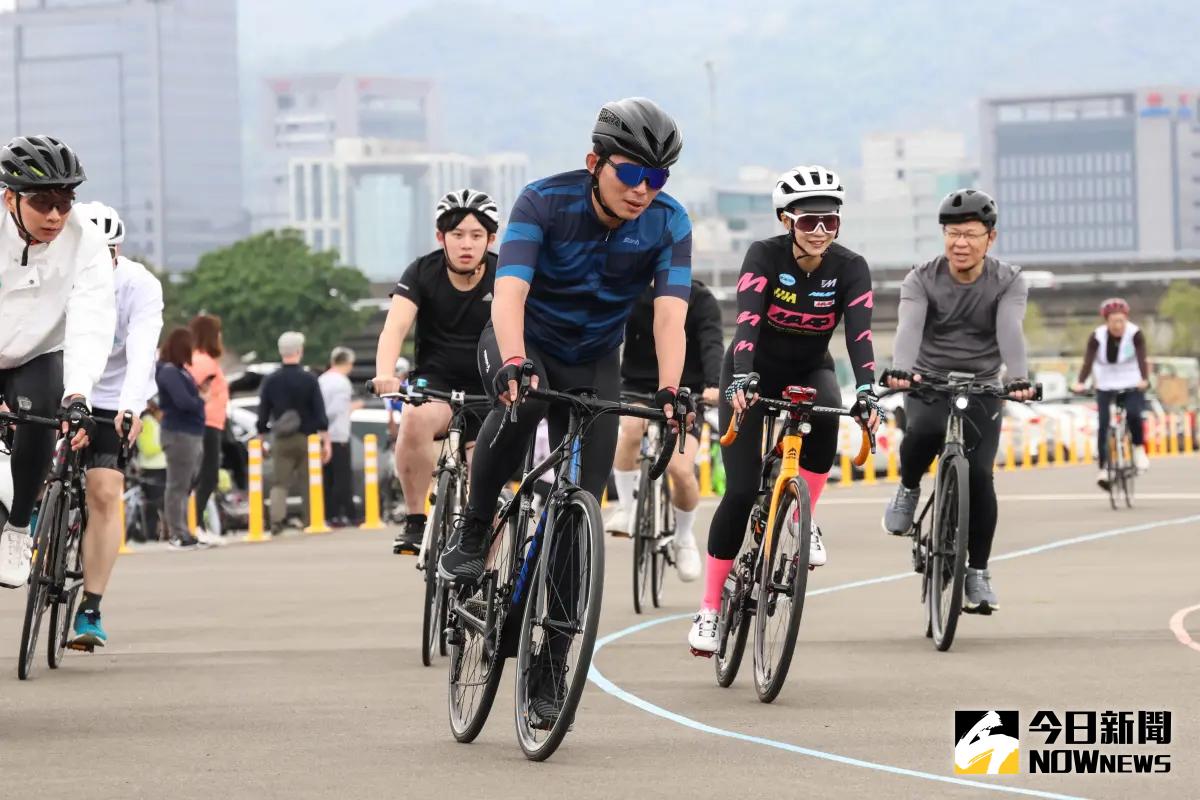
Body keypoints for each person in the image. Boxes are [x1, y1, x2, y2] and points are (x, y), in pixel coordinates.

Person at [437, 97, 692, 728]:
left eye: (656, 178)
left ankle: (550, 665)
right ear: (594, 163)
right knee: (520, 407)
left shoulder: (669, 221)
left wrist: (669, 390)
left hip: (595, 355)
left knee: (582, 507)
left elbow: (670, 315)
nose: (642, 190)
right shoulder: (543, 201)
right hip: (523, 335)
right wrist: (516, 361)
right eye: (630, 173)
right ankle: (472, 532)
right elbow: (511, 291)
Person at [687, 165, 879, 654]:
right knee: (742, 488)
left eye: (830, 222)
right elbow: (747, 321)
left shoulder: (851, 267)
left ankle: (803, 517)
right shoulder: (763, 256)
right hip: (751, 370)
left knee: (829, 409)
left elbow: (858, 335)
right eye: (809, 221)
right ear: (785, 220)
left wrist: (869, 389)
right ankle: (710, 609)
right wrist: (745, 376)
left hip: (810, 368)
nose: (819, 231)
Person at [881, 188, 1035, 615]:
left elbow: (1010, 330)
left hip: (984, 386)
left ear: (991, 237)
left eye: (970, 234)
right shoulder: (922, 278)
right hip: (928, 380)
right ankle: (908, 490)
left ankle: (978, 573)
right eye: (952, 234)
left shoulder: (1008, 280)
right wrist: (901, 368)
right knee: (923, 432)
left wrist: (1018, 378)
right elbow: (909, 326)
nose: (960, 243)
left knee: (981, 477)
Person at [0, 135, 115, 588]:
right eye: (43, 201)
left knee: (39, 417)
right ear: (10, 197)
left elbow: (92, 320)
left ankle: (18, 525)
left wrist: (78, 392)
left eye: (65, 202)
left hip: (40, 352)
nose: (54, 215)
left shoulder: (86, 240)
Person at [371, 189, 499, 555]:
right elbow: (394, 328)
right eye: (457, 235)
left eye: (476, 236)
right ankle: (415, 519)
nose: (466, 244)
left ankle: (485, 582)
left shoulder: (504, 274)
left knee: (488, 496)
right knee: (413, 418)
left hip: (490, 391)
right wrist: (385, 374)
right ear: (441, 237)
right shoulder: (421, 272)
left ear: (490, 240)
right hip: (436, 386)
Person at [68, 201, 163, 645]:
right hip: (63, 383)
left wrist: (132, 408)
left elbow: (143, 351)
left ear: (117, 251)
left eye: (105, 254)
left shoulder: (139, 285)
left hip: (112, 395)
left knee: (105, 491)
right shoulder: (56, 274)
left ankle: (90, 607)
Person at [609, 279, 723, 582]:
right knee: (631, 429)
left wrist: (713, 384)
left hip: (688, 392)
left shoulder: (700, 298)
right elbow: (610, 330)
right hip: (638, 386)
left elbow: (713, 341)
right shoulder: (632, 291)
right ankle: (626, 507)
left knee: (680, 470)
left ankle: (684, 537)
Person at [1072, 298, 1151, 488]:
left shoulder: (1135, 333)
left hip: (1132, 382)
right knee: (1104, 424)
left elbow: (1142, 358)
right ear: (1106, 321)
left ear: (1126, 319)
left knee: (1133, 414)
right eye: (1114, 321)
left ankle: (1139, 450)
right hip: (1106, 384)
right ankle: (1104, 467)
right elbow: (1088, 362)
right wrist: (1080, 382)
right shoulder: (1097, 336)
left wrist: (1144, 379)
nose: (1118, 325)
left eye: (1121, 320)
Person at [256, 331, 329, 534]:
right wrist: (325, 441)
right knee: (309, 480)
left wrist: (261, 436)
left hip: (281, 438)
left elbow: (263, 412)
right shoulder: (309, 379)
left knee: (280, 482)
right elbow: (320, 412)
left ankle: (277, 521)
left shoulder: (271, 380)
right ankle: (310, 520)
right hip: (307, 438)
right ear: (299, 351)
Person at [155, 327, 208, 550]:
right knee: (177, 485)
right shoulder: (169, 371)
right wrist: (201, 399)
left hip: (189, 433)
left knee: (185, 484)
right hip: (179, 433)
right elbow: (183, 401)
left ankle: (184, 530)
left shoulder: (178, 370)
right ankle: (178, 533)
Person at [187, 314, 229, 543]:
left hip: (212, 423)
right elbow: (191, 388)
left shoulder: (205, 360)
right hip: (205, 424)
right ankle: (195, 526)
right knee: (206, 476)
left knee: (207, 476)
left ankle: (198, 525)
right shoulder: (202, 361)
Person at [319, 346, 357, 526]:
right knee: (342, 478)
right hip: (338, 435)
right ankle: (344, 514)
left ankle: (329, 514)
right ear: (348, 363)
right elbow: (335, 410)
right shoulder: (342, 382)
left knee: (327, 479)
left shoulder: (321, 380)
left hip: (321, 436)